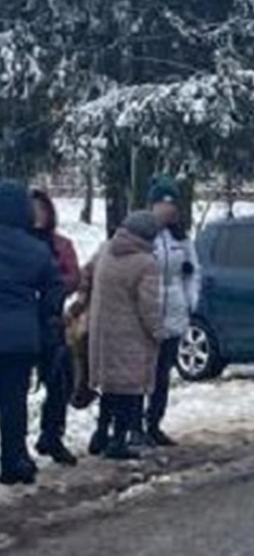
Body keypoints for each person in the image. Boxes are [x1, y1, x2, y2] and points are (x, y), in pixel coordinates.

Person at [0, 180, 62, 486]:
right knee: (14, 401)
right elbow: (54, 291)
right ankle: (13, 459)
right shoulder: (36, 250)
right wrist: (39, 317)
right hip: (21, 339)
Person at [88, 212, 163, 461]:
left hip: (102, 332)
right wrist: (157, 331)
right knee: (129, 390)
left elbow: (84, 276)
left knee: (110, 387)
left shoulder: (105, 250)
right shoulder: (146, 263)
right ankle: (118, 441)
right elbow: (149, 306)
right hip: (132, 336)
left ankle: (100, 434)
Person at [141, 175, 200, 447]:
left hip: (174, 311)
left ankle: (154, 422)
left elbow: (193, 272)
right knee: (141, 372)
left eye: (171, 205)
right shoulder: (143, 234)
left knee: (162, 373)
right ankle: (131, 425)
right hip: (146, 311)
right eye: (162, 205)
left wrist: (190, 301)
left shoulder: (181, 238)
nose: (168, 210)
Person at [30, 189, 81, 466]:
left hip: (52, 322)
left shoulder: (60, 244)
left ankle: (52, 435)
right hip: (22, 323)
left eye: (43, 209)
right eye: (33, 209)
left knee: (60, 380)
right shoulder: (16, 243)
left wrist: (54, 285)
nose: (38, 215)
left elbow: (74, 276)